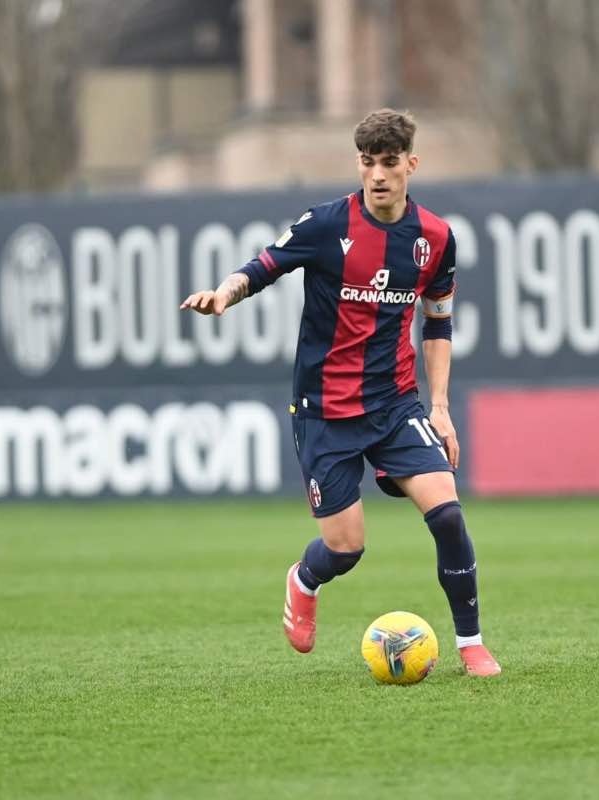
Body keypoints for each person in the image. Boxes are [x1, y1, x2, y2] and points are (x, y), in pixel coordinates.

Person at [180, 109, 501, 677]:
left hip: (395, 404)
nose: (377, 174)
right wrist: (225, 294)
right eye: (367, 162)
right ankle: (305, 578)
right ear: (359, 164)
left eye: (389, 162)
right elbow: (261, 266)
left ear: (410, 165)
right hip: (325, 410)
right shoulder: (326, 224)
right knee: (346, 549)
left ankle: (471, 644)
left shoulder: (435, 239)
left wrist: (441, 407)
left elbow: (438, 321)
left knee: (449, 515)